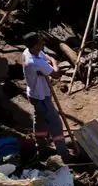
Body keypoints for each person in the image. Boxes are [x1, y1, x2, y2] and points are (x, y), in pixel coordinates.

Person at [22, 32, 69, 160]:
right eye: (41, 41)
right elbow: (56, 74)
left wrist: (48, 62)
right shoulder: (36, 62)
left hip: (34, 94)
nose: (43, 42)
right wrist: (54, 61)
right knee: (56, 125)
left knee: (40, 121)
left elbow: (45, 56)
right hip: (42, 97)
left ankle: (41, 145)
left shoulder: (28, 51)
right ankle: (63, 153)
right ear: (36, 45)